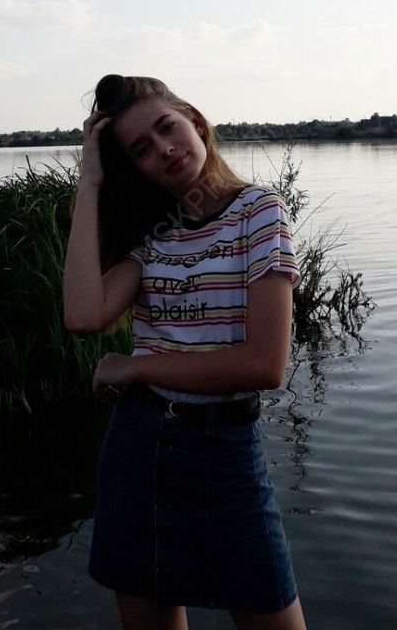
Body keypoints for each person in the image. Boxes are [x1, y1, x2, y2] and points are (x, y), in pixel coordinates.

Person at [63, 74, 307, 630]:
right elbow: (82, 313)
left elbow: (264, 365)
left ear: (194, 120)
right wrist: (91, 182)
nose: (165, 149)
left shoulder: (259, 213)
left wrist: (135, 366)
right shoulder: (155, 237)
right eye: (141, 149)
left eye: (167, 127)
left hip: (226, 452)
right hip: (138, 450)